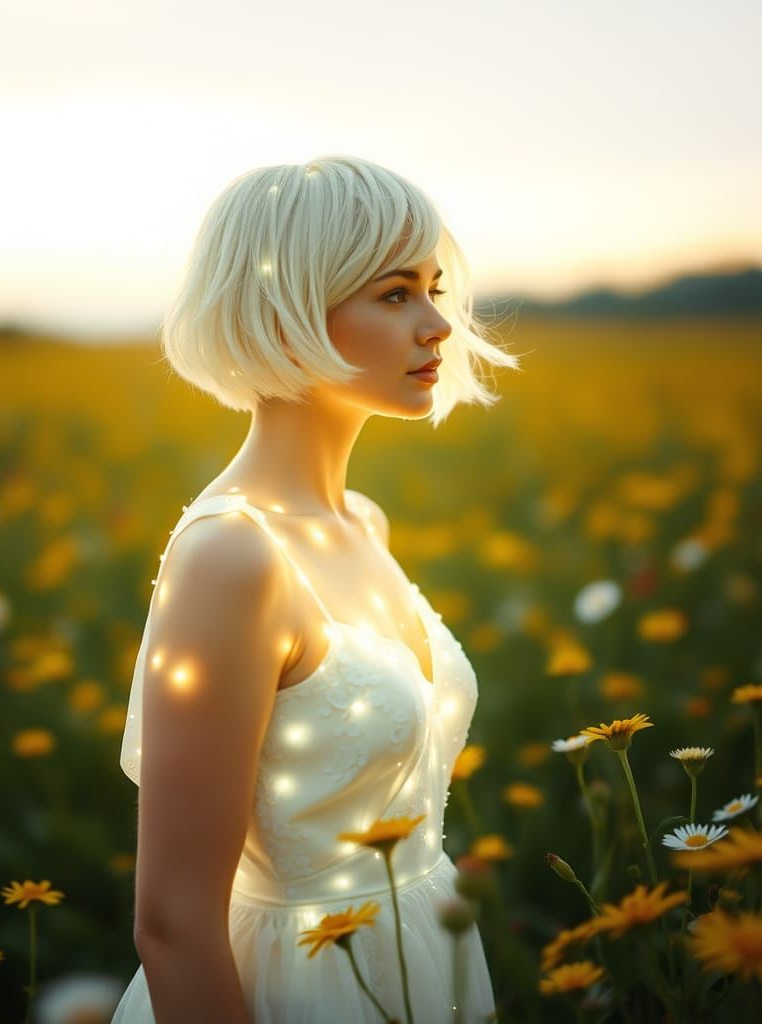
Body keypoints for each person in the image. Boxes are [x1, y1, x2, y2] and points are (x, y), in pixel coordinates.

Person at [112, 155, 521, 1024]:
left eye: (434, 289)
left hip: (425, 966)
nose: (438, 326)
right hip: (300, 987)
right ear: (286, 308)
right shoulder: (233, 559)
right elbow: (174, 925)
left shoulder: (362, 524)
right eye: (395, 293)